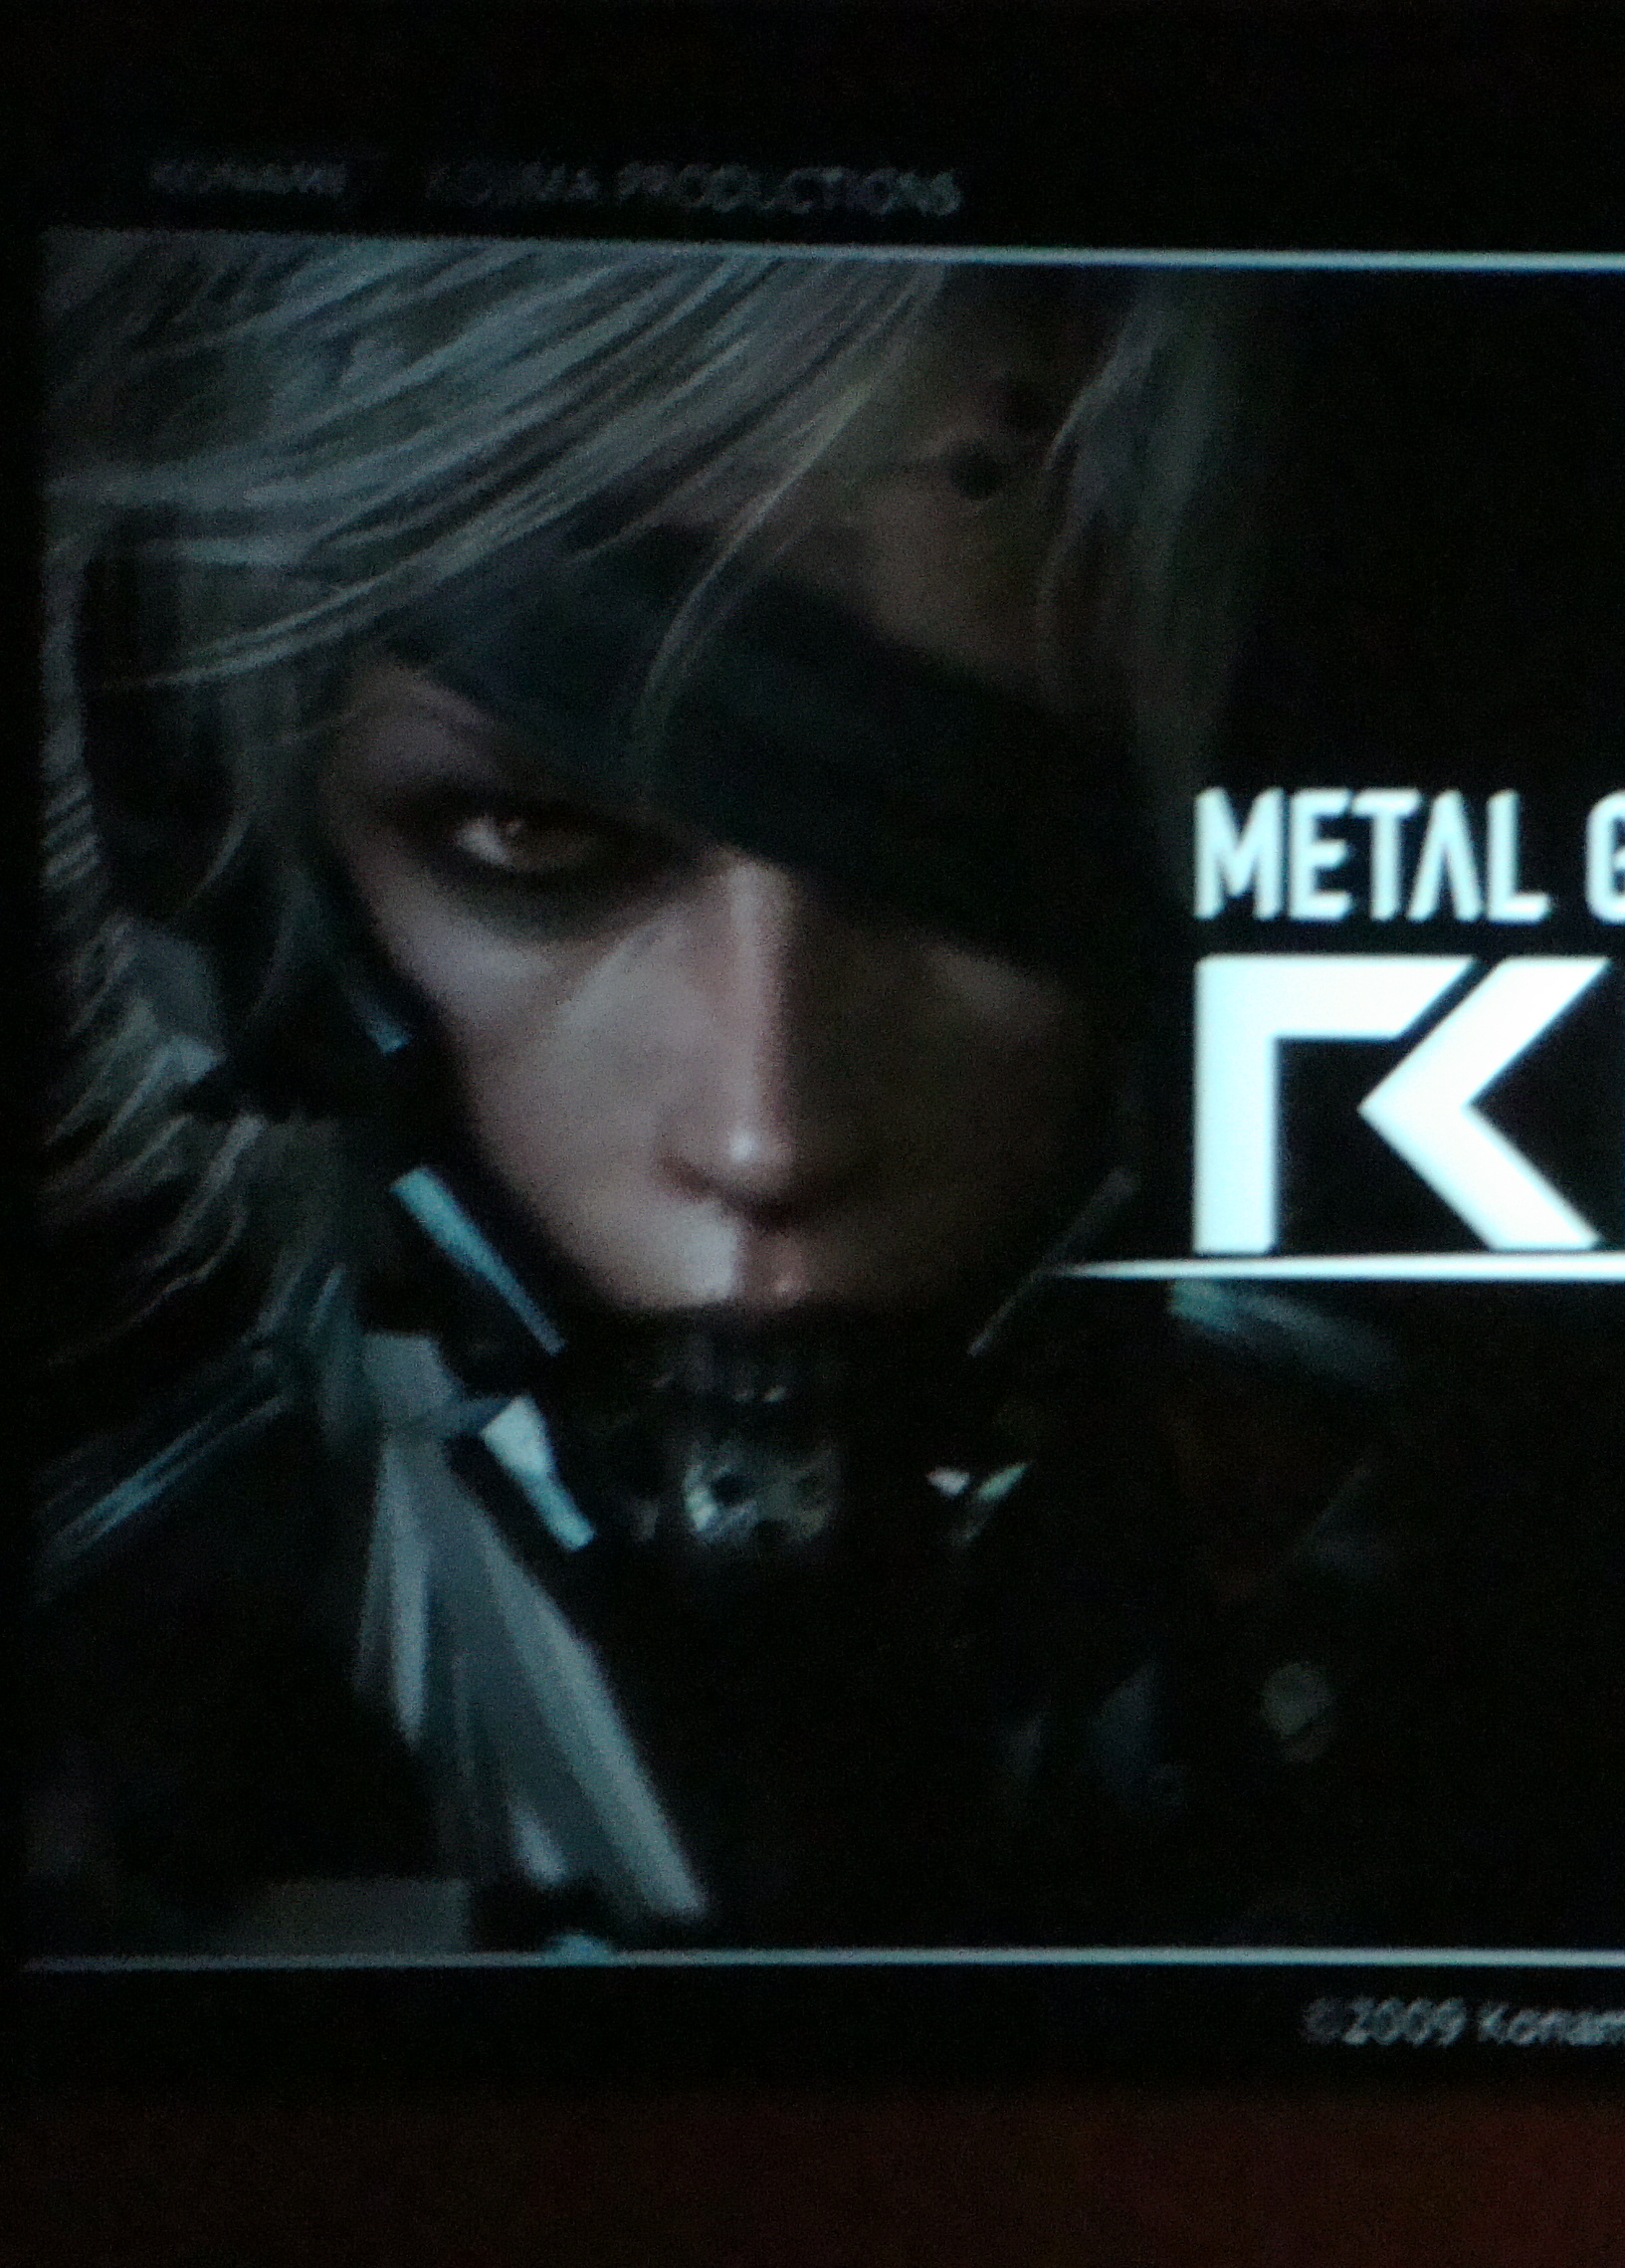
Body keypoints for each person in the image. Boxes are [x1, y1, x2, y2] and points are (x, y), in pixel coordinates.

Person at [33, 236, 1432, 1953]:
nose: (766, 1132)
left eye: (965, 853)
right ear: (230, 862)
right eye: (533, 837)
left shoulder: (1468, 1675)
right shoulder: (102, 1730)